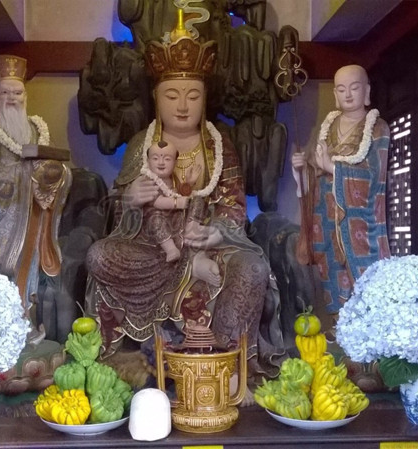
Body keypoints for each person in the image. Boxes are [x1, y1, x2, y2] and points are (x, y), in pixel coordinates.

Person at [85, 18, 284, 380]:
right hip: (152, 247)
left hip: (207, 244)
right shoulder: (141, 144)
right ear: (155, 99)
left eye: (192, 96)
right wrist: (129, 199)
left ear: (204, 99)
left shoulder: (218, 145)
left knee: (252, 268)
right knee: (99, 255)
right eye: (171, 96)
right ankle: (134, 351)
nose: (182, 106)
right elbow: (116, 208)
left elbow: (233, 205)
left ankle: (225, 364)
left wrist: (216, 232)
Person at [0, 54, 72, 344]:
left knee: (30, 275)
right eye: (5, 93)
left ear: (26, 96)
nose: (12, 99)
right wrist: (30, 173)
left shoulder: (37, 129)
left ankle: (26, 325)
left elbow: (52, 166)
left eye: (18, 93)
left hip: (34, 216)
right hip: (2, 222)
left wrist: (56, 174)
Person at [292, 64, 391, 316]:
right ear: (335, 93)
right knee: (332, 281)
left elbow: (374, 175)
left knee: (366, 289)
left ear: (366, 91)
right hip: (325, 217)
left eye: (354, 88)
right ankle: (338, 326)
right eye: (341, 89)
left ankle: (366, 329)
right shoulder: (328, 128)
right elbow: (315, 169)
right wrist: (302, 170)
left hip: (359, 223)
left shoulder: (377, 128)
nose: (348, 94)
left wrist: (332, 167)